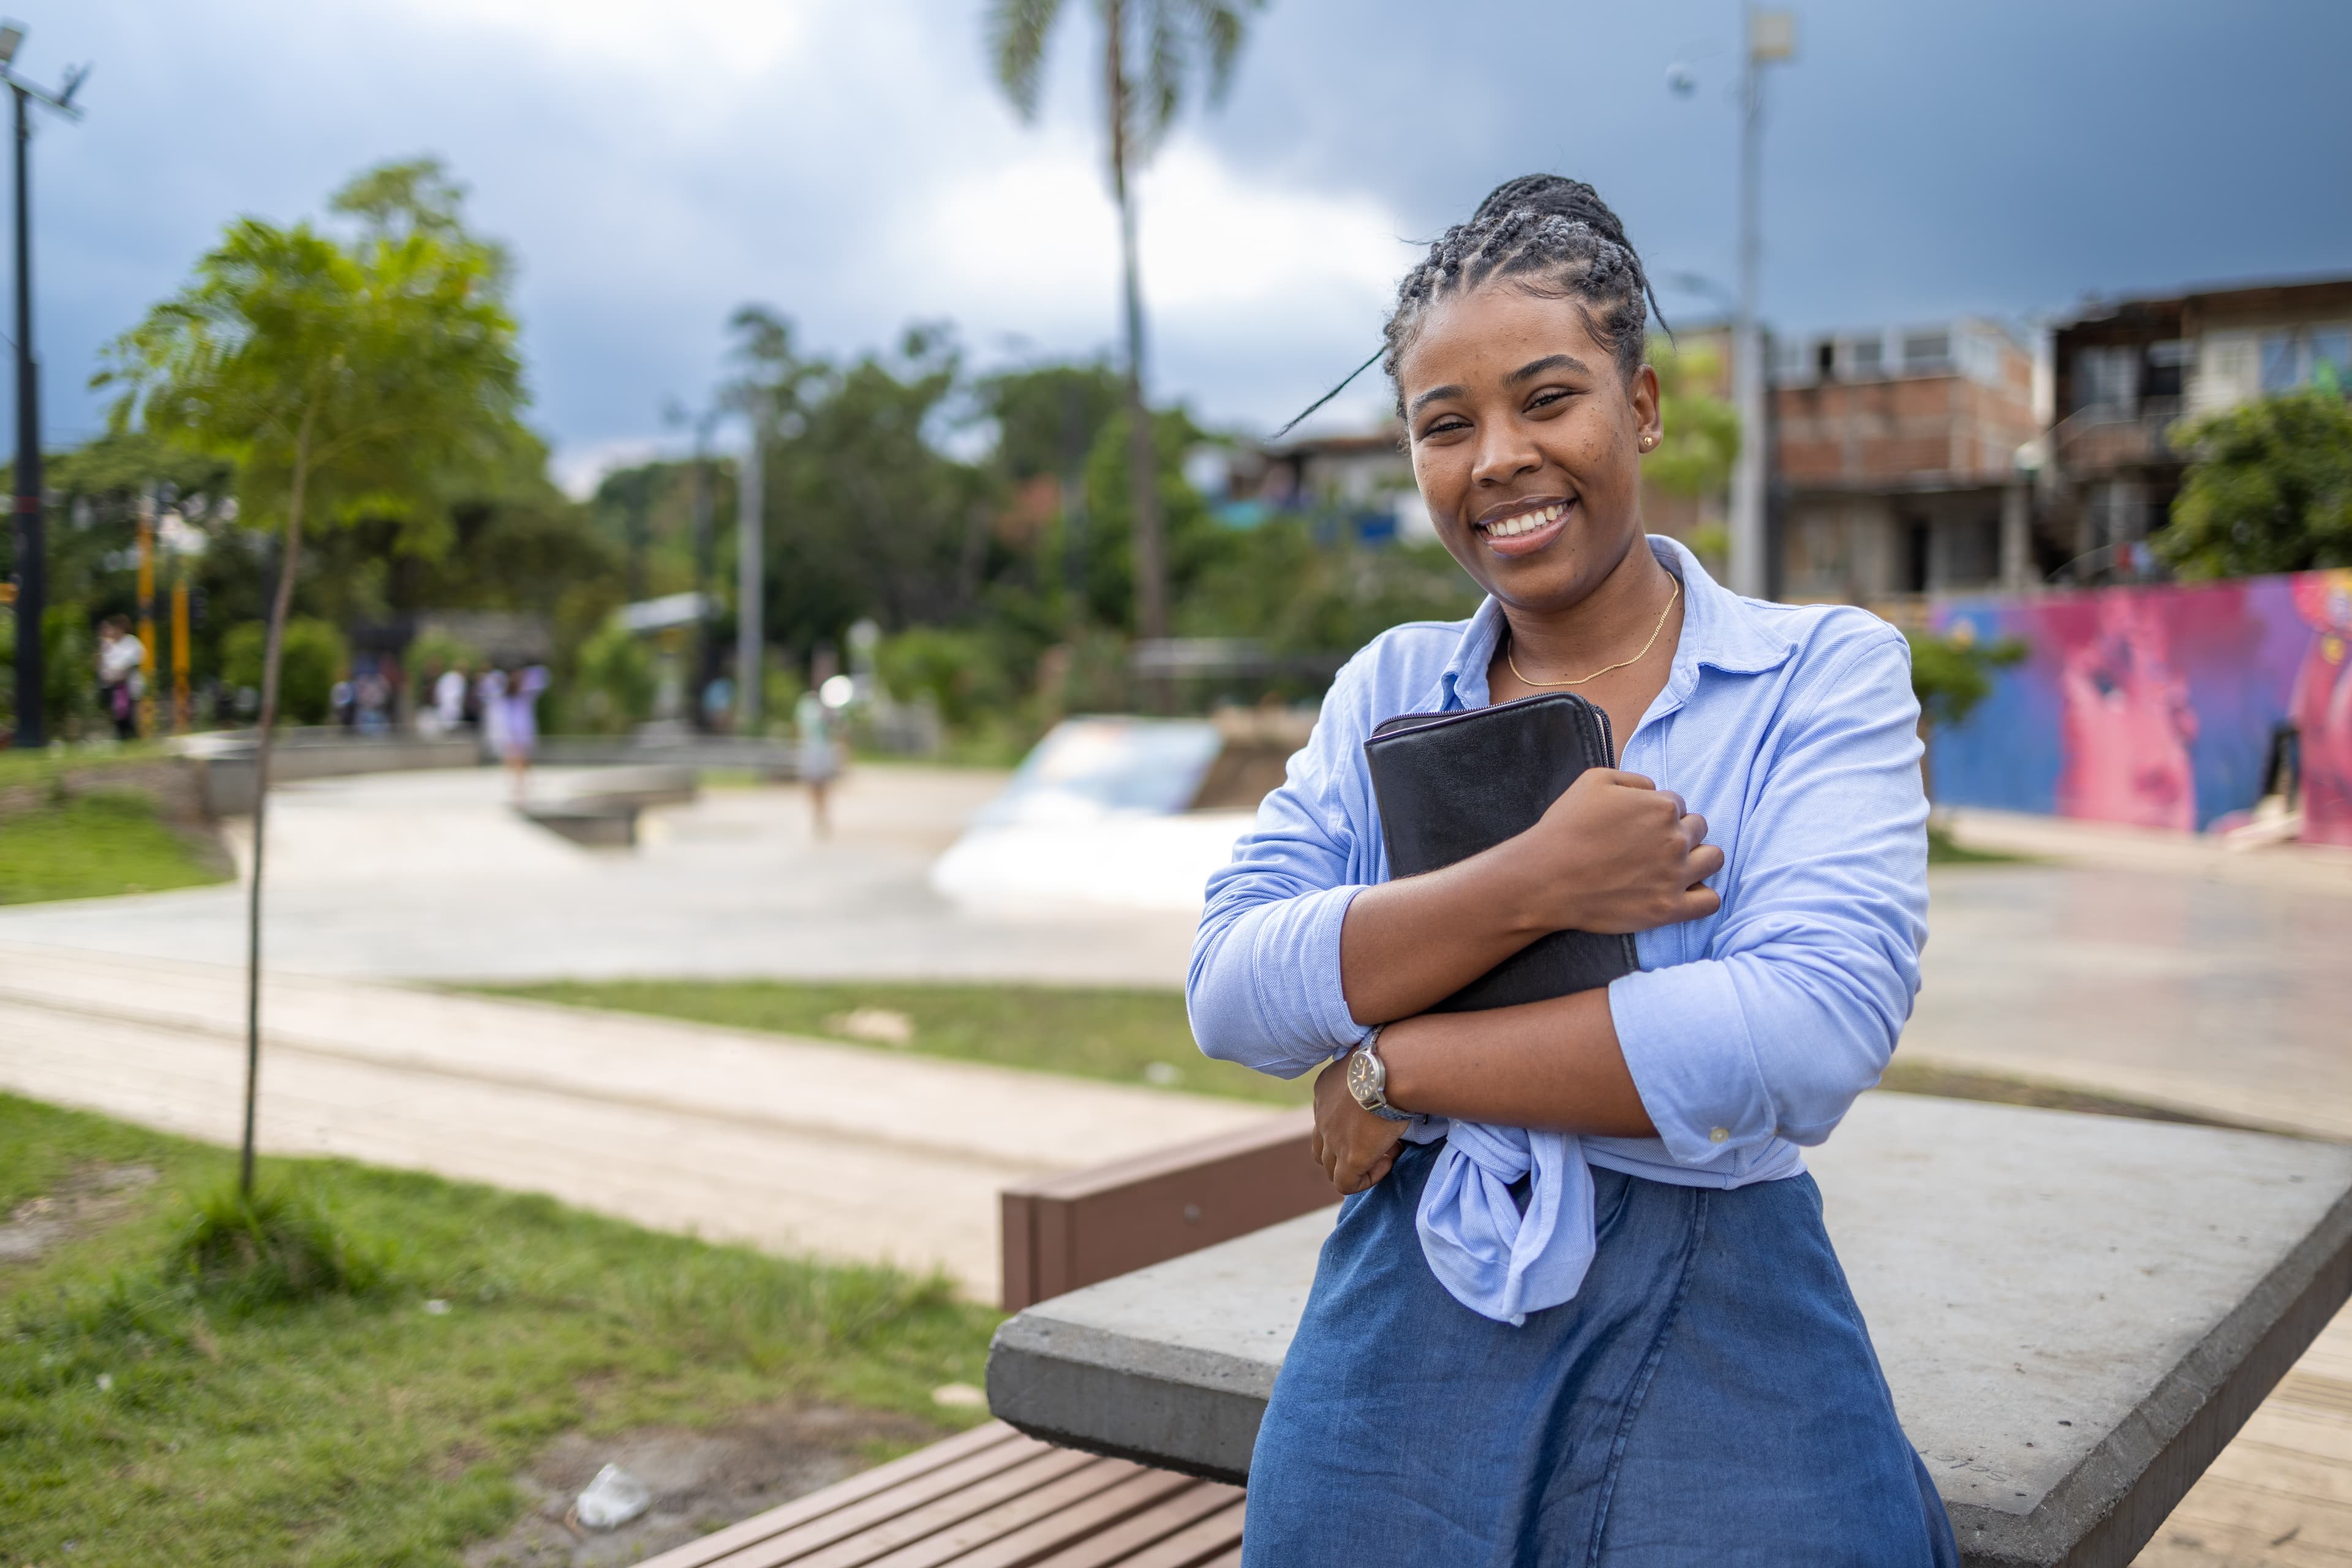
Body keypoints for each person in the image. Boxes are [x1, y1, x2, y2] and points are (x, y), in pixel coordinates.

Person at [1188, 175, 1955, 1566]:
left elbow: (1806, 1031)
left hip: (1721, 1286)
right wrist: (1529, 882)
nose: (1497, 458)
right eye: (1445, 423)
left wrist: (1397, 1063)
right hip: (1411, 1293)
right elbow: (1232, 989)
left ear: (1642, 407)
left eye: (1546, 399)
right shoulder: (1392, 686)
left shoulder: (1815, 671)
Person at [795, 654, 842, 838]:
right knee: (812, 784)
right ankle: (817, 815)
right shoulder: (807, 702)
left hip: (823, 748)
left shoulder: (831, 702)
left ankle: (823, 815)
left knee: (824, 784)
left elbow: (837, 728)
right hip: (810, 748)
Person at [493, 663, 548, 800]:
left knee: (523, 759)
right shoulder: (506, 697)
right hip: (511, 732)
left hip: (524, 731)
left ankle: (521, 783)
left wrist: (525, 674)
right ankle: (517, 783)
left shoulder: (525, 695)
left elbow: (543, 675)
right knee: (515, 759)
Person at [94, 616, 145, 740]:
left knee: (130, 715)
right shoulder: (108, 646)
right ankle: (122, 738)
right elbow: (102, 666)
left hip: (129, 685)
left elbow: (133, 663)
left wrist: (120, 676)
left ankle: (134, 737)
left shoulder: (131, 642)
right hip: (113, 686)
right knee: (117, 715)